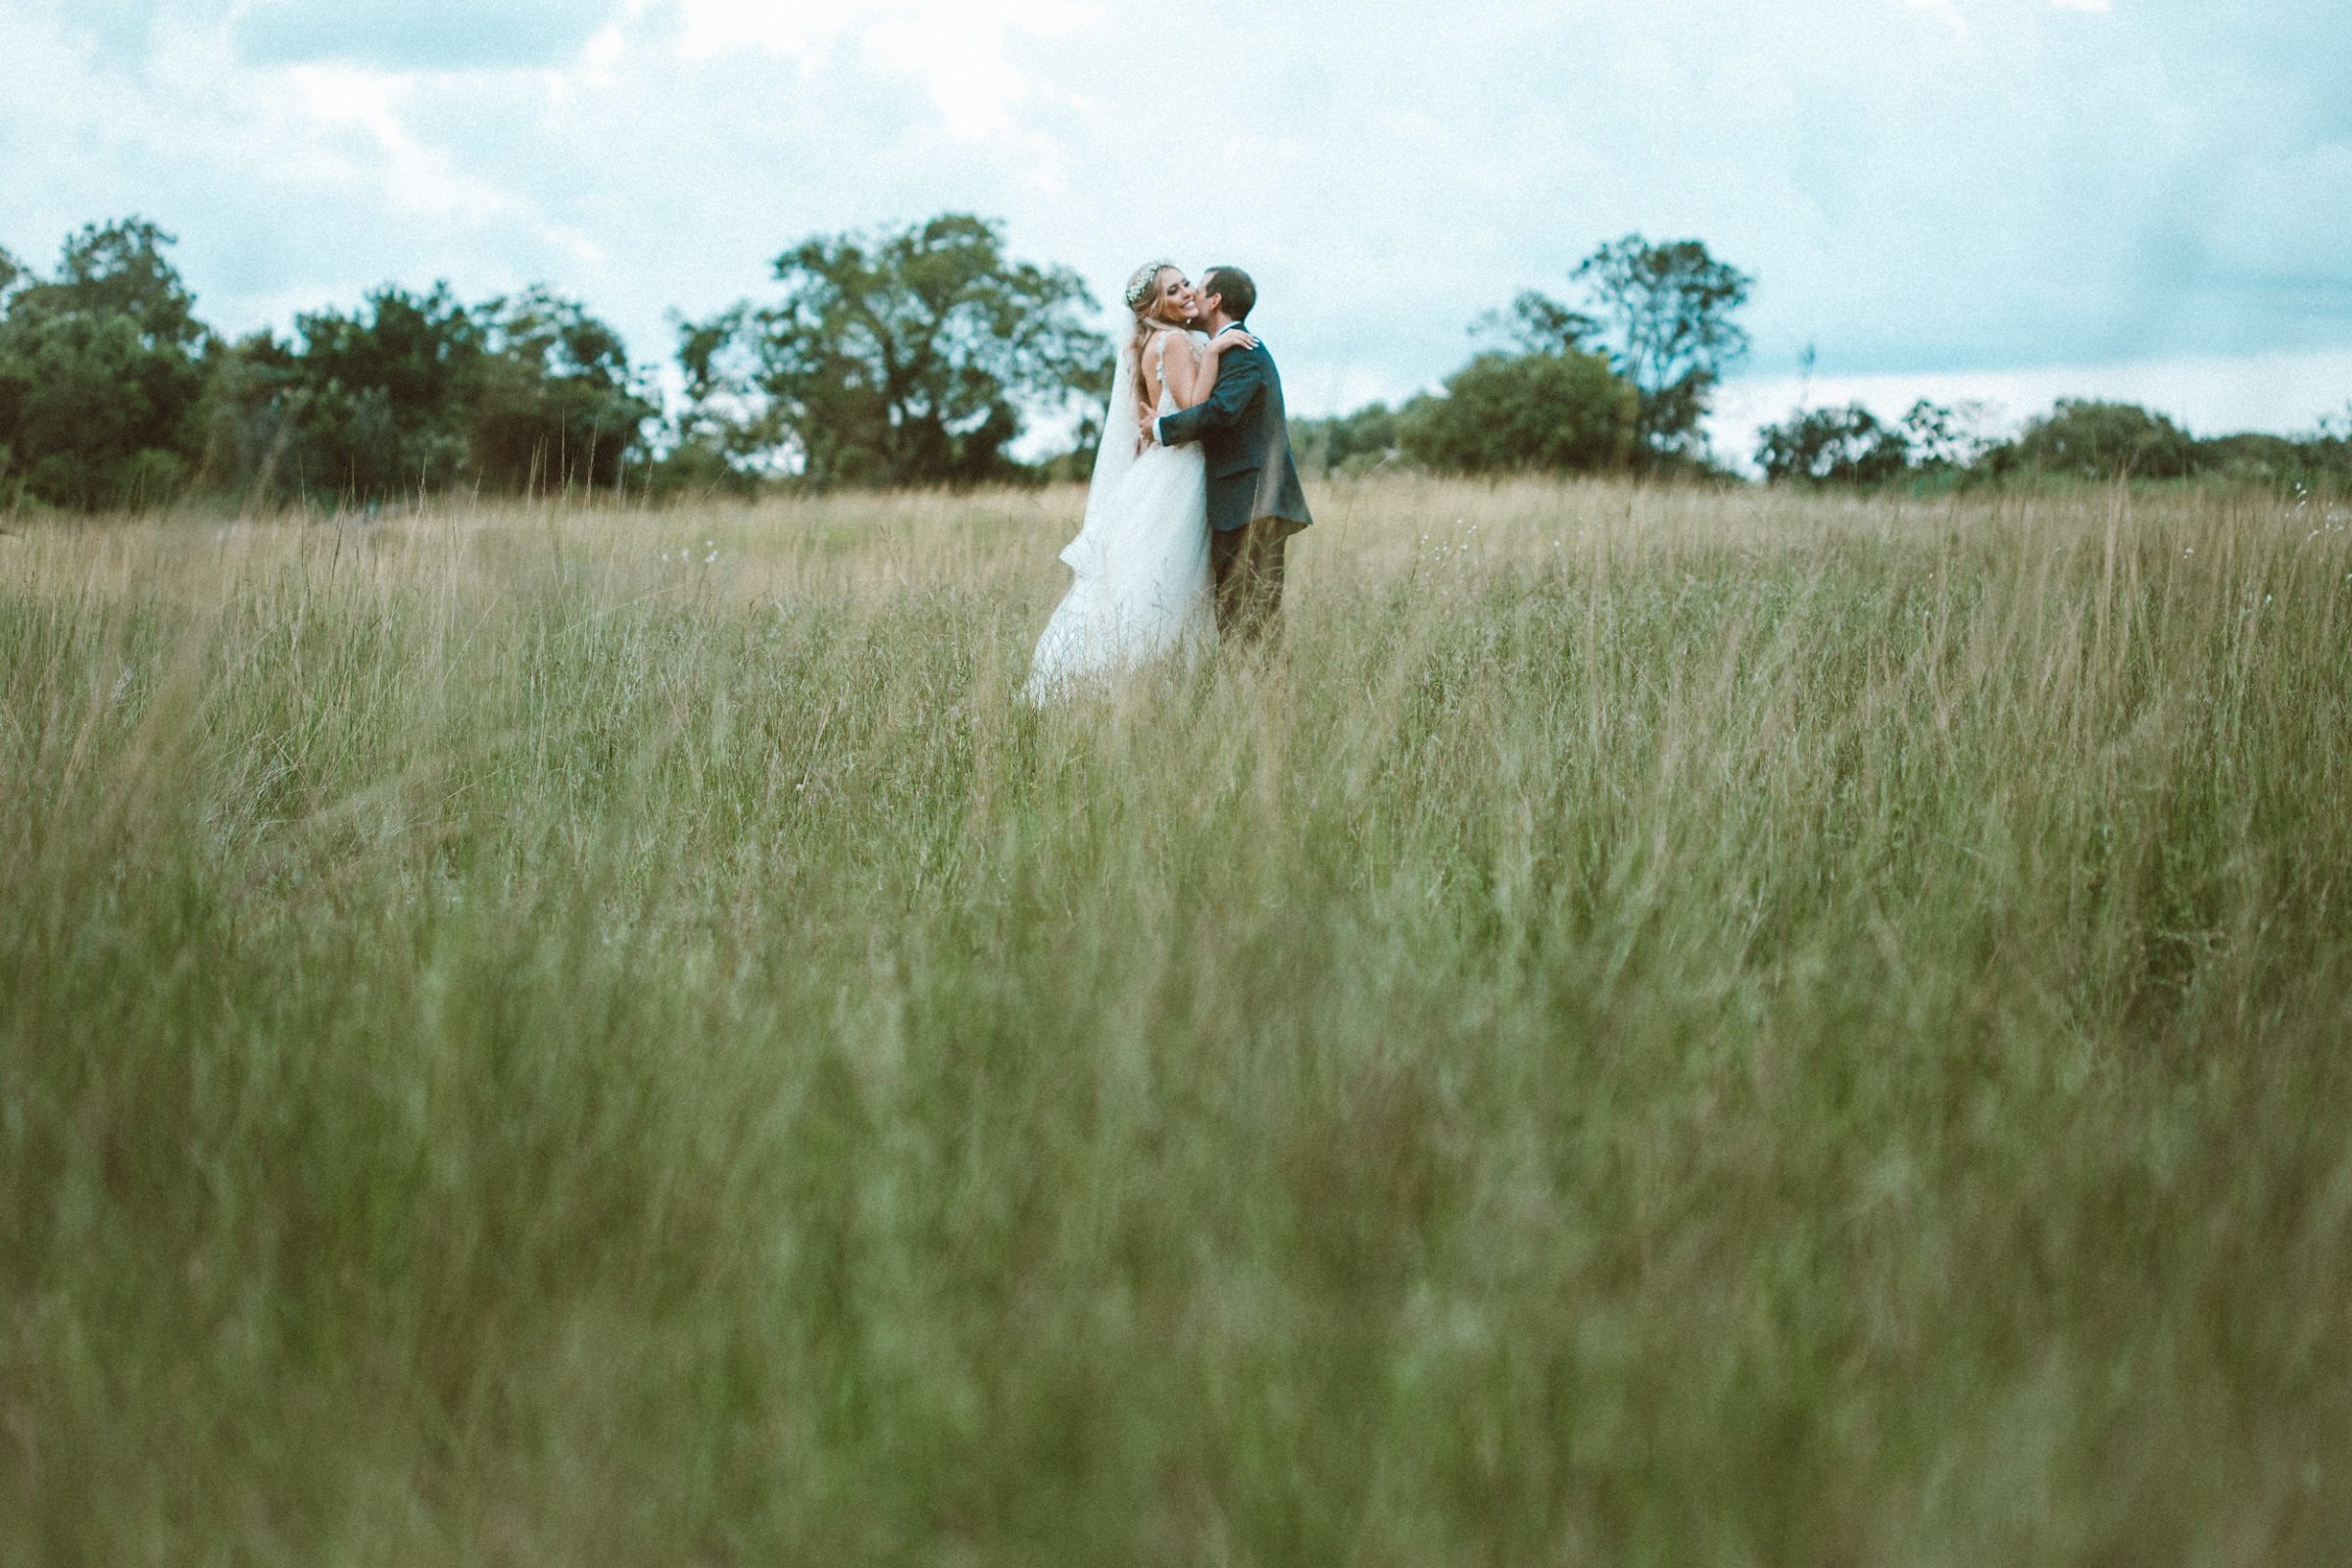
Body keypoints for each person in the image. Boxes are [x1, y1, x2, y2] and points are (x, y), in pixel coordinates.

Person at [1023, 262, 1256, 702]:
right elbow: (1190, 406)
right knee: (1170, 576)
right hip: (1180, 472)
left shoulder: (1155, 341)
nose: (1188, 292)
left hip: (1164, 466)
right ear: (1154, 306)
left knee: (1155, 574)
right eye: (1174, 290)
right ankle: (1145, 683)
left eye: (1186, 283)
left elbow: (1161, 415)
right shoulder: (1172, 341)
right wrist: (1212, 353)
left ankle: (1153, 687)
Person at [1146, 266, 1313, 646]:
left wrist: (1161, 429)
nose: (1191, 295)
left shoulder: (1242, 350)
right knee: (1239, 613)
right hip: (1243, 503)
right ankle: (1254, 693)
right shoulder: (1224, 349)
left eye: (1197, 289)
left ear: (1215, 300)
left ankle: (1264, 696)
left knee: (1251, 614)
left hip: (1253, 502)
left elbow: (1221, 412)